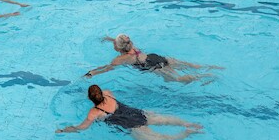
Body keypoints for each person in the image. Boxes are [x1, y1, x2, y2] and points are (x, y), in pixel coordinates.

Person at [57, 85, 202, 140]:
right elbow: (100, 95)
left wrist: (64, 130)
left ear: (90, 99)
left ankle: (184, 134)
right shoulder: (108, 93)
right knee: (164, 119)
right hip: (136, 112)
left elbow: (81, 128)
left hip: (130, 124)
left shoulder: (94, 113)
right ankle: (188, 124)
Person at [84, 34, 221, 84]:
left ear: (118, 48)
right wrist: (110, 39)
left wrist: (92, 73)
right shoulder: (131, 45)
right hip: (154, 57)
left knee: (178, 79)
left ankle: (205, 76)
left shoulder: (120, 59)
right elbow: (123, 42)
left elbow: (107, 68)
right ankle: (212, 67)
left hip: (151, 66)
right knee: (187, 65)